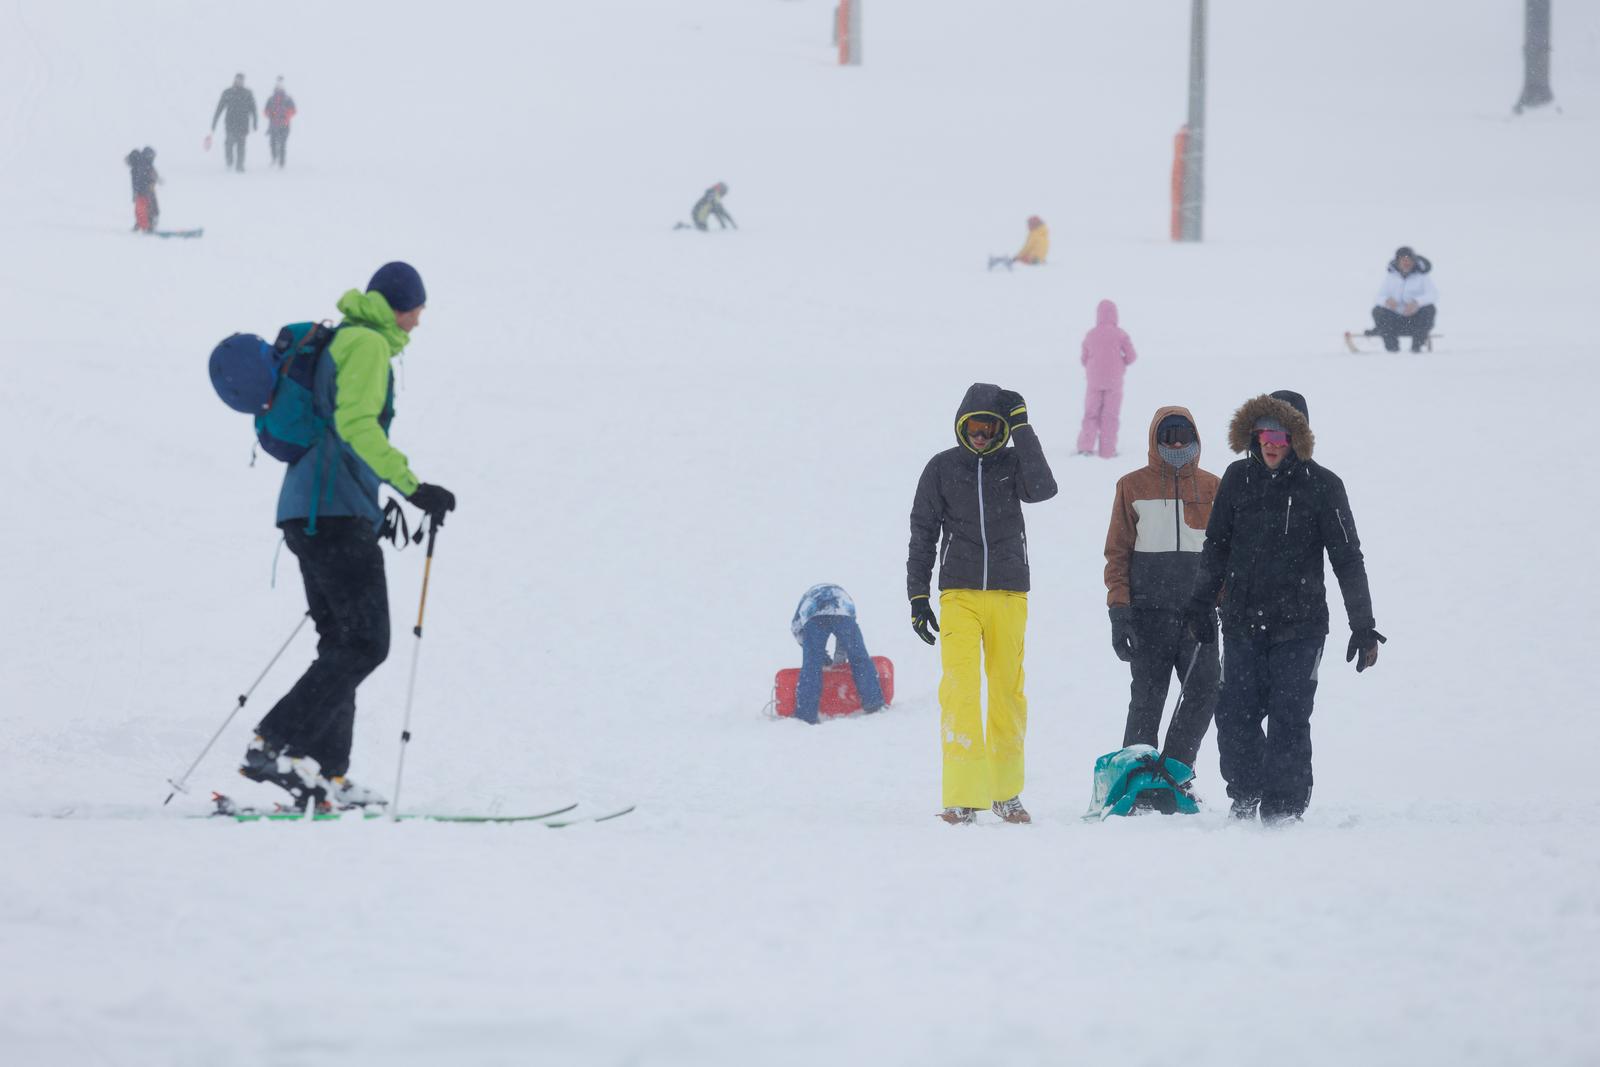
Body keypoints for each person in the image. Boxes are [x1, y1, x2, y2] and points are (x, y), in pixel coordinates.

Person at [238, 262, 457, 809]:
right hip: (328, 512)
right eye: (417, 311)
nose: (417, 324)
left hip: (321, 510)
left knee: (343, 644)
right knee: (364, 643)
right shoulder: (366, 345)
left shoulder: (347, 340)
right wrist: (412, 486)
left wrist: (371, 503)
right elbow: (355, 424)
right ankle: (274, 742)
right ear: (400, 305)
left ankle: (322, 774)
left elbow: (340, 433)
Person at [1182, 390, 1384, 824]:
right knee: (1235, 714)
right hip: (1240, 622)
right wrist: (1200, 604)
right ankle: (1246, 793)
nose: (1271, 443)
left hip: (1301, 626)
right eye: (1263, 433)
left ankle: (1285, 808)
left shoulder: (1324, 486)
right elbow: (1216, 547)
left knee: (1290, 718)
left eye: (1281, 434)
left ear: (1298, 437)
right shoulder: (1236, 479)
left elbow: (1348, 559)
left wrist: (1363, 625)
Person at [907, 384, 1058, 824]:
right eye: (972, 426)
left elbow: (1044, 489)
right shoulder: (940, 468)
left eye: (988, 426)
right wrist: (918, 595)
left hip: (1010, 591)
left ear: (1000, 428)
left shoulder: (1013, 463)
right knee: (960, 689)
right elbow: (922, 532)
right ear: (962, 425)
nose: (978, 435)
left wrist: (1024, 427)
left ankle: (1005, 793)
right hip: (959, 592)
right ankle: (961, 796)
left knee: (1008, 690)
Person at [1102, 407, 1221, 784]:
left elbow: (1225, 553)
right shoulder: (1132, 485)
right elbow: (1117, 552)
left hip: (1198, 616)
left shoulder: (1213, 486)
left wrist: (1226, 603)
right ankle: (1135, 779)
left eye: (1183, 434)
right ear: (1155, 440)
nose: (1176, 442)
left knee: (1203, 693)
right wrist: (1118, 610)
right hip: (1147, 614)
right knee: (1147, 701)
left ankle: (1174, 775)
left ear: (1195, 437)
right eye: (1167, 435)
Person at [789, 584, 886, 725]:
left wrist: (820, 658)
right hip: (843, 610)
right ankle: (874, 702)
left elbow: (796, 629)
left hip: (814, 613)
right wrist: (838, 661)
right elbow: (845, 642)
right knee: (859, 657)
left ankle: (806, 714)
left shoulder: (806, 601)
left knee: (811, 665)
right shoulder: (843, 596)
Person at [1076, 299, 1138, 458]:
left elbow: (1083, 358)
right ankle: (1107, 451)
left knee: (1091, 413)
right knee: (1110, 415)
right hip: (1114, 381)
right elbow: (1131, 356)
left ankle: (1085, 447)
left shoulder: (1091, 334)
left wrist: (1093, 366)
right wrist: (1120, 364)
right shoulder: (1121, 334)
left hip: (1094, 380)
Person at [1366, 246, 1438, 352]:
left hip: (1415, 321)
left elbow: (1433, 295)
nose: (1406, 263)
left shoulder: (1422, 277)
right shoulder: (1391, 277)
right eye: (1403, 260)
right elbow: (1378, 297)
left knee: (1429, 309)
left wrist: (1416, 303)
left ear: (1414, 261)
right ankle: (1392, 350)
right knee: (1378, 311)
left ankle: (1416, 348)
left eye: (1409, 260)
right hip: (1395, 321)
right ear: (1397, 262)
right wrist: (1386, 300)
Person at [210, 73, 258, 172]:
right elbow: (219, 108)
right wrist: (214, 122)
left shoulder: (248, 93)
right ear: (234, 80)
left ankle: (240, 165)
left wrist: (255, 122)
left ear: (243, 81)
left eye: (241, 80)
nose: (240, 82)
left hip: (243, 125)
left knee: (241, 146)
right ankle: (229, 161)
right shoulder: (227, 92)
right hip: (230, 124)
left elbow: (253, 110)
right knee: (229, 145)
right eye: (238, 79)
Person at [263, 76, 297, 168]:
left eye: (281, 87)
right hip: (273, 125)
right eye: (278, 87)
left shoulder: (288, 99)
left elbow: (294, 110)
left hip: (285, 125)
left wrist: (286, 116)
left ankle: (281, 163)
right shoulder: (271, 99)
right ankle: (274, 158)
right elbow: (265, 111)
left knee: (282, 144)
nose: (279, 88)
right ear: (275, 88)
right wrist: (270, 114)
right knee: (273, 143)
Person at [124, 146, 159, 233]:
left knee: (143, 209)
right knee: (146, 209)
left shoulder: (140, 166)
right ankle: (145, 226)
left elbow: (139, 180)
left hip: (142, 191)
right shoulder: (143, 165)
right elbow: (142, 179)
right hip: (144, 191)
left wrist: (136, 192)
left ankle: (143, 225)